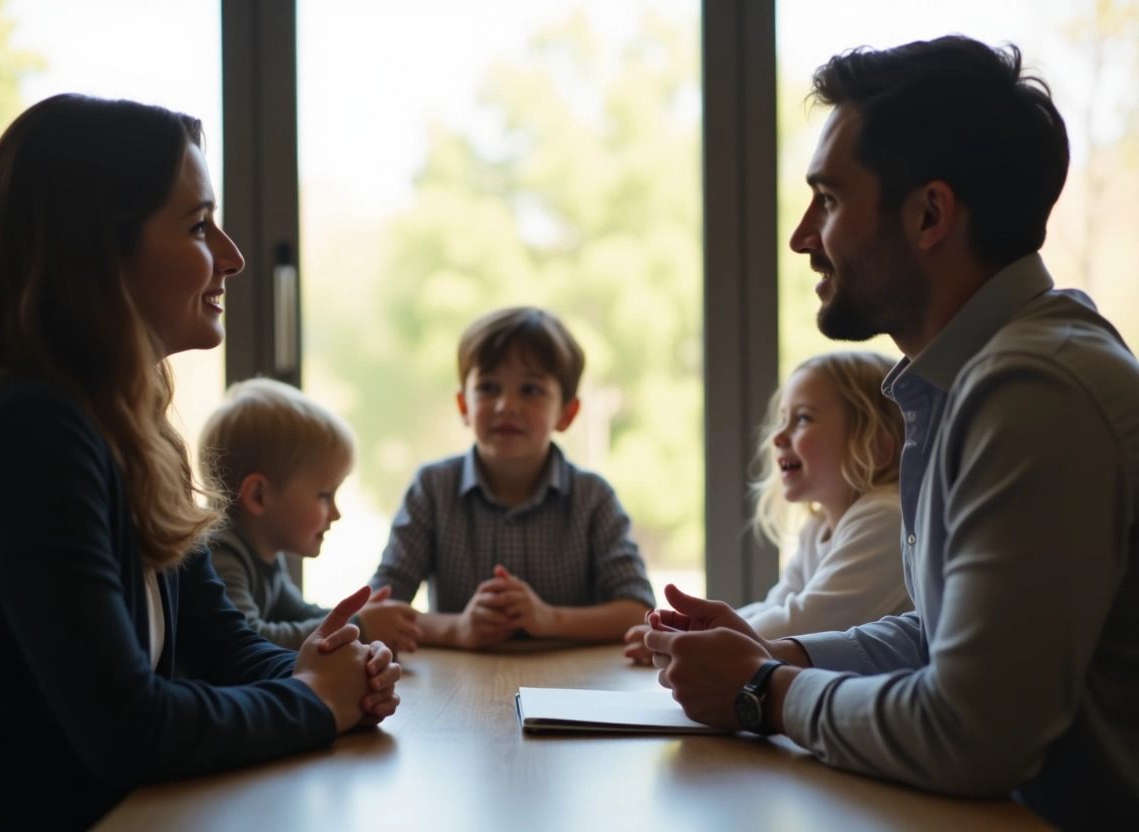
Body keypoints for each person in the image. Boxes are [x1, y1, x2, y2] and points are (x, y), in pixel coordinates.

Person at [643, 35, 1139, 830]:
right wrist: (782, 657)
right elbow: (947, 633)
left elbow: (974, 732)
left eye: (830, 200)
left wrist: (760, 693)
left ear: (930, 215)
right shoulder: (975, 378)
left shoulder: (1033, 391)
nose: (803, 236)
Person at [0, 94, 400, 830]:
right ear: (95, 251)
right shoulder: (28, 430)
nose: (233, 257)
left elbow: (220, 642)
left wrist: (343, 673)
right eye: (199, 226)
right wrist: (312, 699)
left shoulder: (131, 432)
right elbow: (128, 727)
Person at [368, 306, 656, 649]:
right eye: (488, 387)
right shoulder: (432, 489)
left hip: (571, 688)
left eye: (531, 390)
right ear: (464, 405)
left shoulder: (592, 497)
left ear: (567, 413)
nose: (506, 405)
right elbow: (377, 611)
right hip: (457, 689)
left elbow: (639, 611)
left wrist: (550, 619)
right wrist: (458, 628)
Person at [624, 351, 908, 664]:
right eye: (782, 420)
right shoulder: (817, 528)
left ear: (877, 447)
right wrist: (687, 629)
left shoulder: (886, 518)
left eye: (802, 418)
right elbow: (778, 605)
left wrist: (695, 639)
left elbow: (806, 621)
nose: (778, 436)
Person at [198, 376, 421, 652]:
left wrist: (357, 616)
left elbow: (299, 614)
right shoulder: (219, 554)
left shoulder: (261, 555)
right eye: (325, 495)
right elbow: (250, 642)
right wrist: (360, 626)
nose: (336, 514)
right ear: (258, 495)